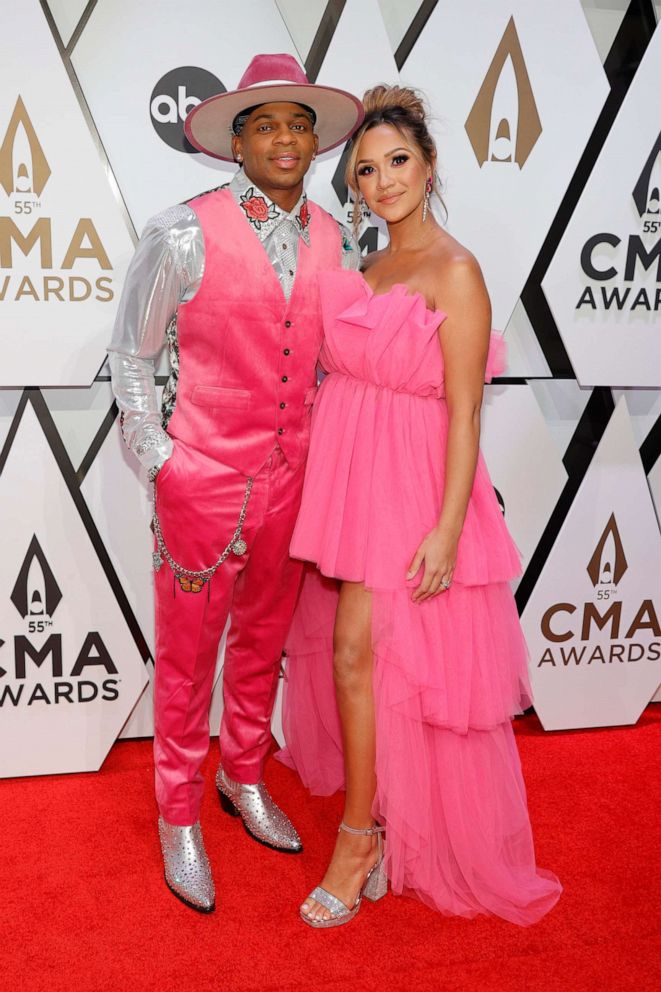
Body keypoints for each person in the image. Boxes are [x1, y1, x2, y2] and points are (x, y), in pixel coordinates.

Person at [277, 85, 562, 928]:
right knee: (357, 660)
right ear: (355, 186)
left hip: (416, 485)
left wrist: (445, 529)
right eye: (365, 171)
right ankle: (373, 825)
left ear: (428, 166)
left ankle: (361, 837)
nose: (382, 181)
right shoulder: (369, 268)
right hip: (356, 478)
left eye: (396, 162)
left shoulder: (456, 269)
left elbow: (466, 409)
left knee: (368, 657)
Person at [108, 53, 363, 913]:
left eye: (298, 123)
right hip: (201, 478)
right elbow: (131, 357)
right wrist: (161, 461)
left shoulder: (338, 236)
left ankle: (242, 776)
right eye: (266, 124)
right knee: (186, 660)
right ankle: (177, 808)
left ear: (316, 141)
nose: (285, 138)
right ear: (236, 144)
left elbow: (333, 360)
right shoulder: (181, 229)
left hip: (297, 480)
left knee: (263, 646)